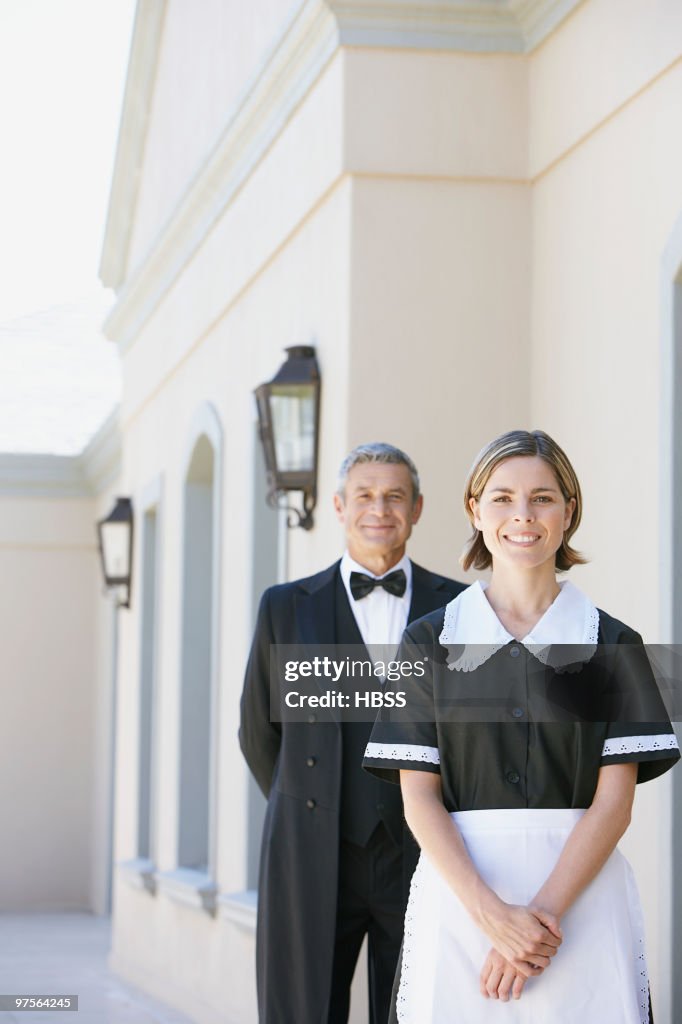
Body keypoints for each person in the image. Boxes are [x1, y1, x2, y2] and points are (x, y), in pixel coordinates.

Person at [363, 429, 680, 1023]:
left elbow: (614, 804)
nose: (523, 516)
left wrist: (538, 924)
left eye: (543, 497)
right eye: (503, 498)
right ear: (474, 510)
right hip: (460, 906)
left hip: (581, 908)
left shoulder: (613, 644)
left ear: (569, 512)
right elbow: (419, 798)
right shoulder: (428, 642)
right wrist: (491, 918)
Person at [239, 442, 465, 1024]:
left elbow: (473, 736)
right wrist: (311, 810)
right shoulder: (285, 607)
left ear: (417, 509)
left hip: (422, 852)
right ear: (339, 507)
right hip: (313, 850)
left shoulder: (463, 607)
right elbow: (257, 730)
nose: (379, 508)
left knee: (420, 1008)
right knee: (303, 1009)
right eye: (364, 495)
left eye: (394, 495)